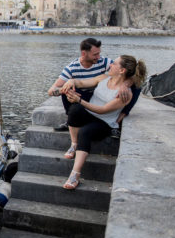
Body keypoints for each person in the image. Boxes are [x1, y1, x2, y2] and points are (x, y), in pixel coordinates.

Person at [59, 55, 147, 190]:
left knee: (85, 132)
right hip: (90, 114)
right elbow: (82, 83)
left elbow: (103, 110)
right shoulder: (103, 78)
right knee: (75, 110)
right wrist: (71, 81)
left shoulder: (125, 94)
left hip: (104, 122)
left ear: (122, 70)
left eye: (114, 64)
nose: (110, 65)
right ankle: (74, 144)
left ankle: (74, 175)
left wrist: (80, 101)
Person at [47, 38, 131, 131]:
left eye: (99, 53)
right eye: (95, 54)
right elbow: (51, 91)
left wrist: (125, 84)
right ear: (84, 54)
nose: (98, 57)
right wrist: (64, 89)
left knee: (136, 88)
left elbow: (128, 72)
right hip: (80, 97)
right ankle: (71, 121)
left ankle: (122, 114)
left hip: (97, 96)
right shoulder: (71, 68)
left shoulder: (103, 62)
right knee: (67, 89)